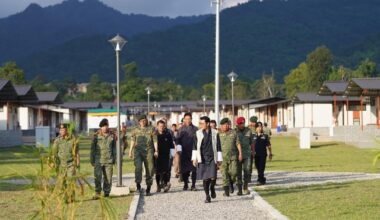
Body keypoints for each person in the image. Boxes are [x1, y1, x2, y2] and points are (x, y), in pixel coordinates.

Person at [192, 116, 222, 203]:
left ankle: (212, 187)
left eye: (202, 123)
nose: (200, 125)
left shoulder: (215, 133)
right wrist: (194, 159)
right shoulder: (197, 133)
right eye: (199, 123)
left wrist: (219, 159)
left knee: (213, 177)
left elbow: (218, 146)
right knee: (205, 179)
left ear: (208, 123)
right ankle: (207, 196)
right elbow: (194, 147)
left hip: (213, 157)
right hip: (202, 158)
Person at [129, 115, 158, 196]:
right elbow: (132, 140)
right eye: (141, 121)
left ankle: (148, 188)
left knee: (150, 169)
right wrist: (130, 151)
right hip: (138, 151)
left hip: (149, 151)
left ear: (146, 121)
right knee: (138, 167)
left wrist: (156, 150)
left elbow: (155, 140)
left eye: (144, 120)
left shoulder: (151, 129)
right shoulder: (135, 130)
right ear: (139, 122)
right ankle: (138, 186)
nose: (143, 122)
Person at [52, 123, 80, 202]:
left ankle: (71, 198)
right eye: (60, 130)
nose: (61, 131)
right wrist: (53, 163)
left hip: (71, 164)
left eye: (63, 129)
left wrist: (78, 162)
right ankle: (64, 199)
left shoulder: (73, 139)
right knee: (61, 183)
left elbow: (77, 152)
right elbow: (54, 153)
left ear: (67, 130)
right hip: (61, 165)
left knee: (70, 181)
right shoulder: (57, 140)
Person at [90, 119, 116, 199]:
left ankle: (106, 193)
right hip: (98, 160)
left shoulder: (112, 136)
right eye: (103, 126)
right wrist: (92, 159)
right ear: (100, 127)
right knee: (97, 177)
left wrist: (114, 159)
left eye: (106, 126)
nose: (105, 128)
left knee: (108, 178)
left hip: (109, 160)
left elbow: (114, 148)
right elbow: (92, 149)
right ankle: (97, 193)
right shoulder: (96, 136)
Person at [218, 118, 242, 197]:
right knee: (224, 174)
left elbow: (238, 143)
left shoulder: (234, 133)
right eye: (225, 125)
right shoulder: (218, 134)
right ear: (221, 126)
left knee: (234, 173)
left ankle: (231, 182)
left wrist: (240, 154)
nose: (227, 126)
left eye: (228, 124)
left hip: (233, 156)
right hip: (222, 158)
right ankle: (226, 191)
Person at [176, 113, 198, 191]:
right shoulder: (181, 129)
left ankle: (193, 185)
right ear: (184, 119)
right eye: (186, 119)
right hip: (184, 152)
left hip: (193, 152)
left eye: (189, 119)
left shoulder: (196, 129)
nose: (188, 120)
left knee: (194, 169)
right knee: (184, 170)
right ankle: (185, 184)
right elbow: (177, 140)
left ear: (191, 119)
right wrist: (179, 149)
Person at [155, 120, 175, 192]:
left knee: (166, 171)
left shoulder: (168, 134)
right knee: (158, 171)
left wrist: (172, 154)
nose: (161, 128)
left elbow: (172, 145)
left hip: (166, 156)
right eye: (160, 126)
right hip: (157, 156)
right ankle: (158, 185)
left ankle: (165, 184)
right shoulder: (155, 135)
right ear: (157, 126)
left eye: (163, 126)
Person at [235, 117, 254, 195]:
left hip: (247, 154)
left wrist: (253, 151)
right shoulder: (234, 131)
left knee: (247, 171)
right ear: (237, 124)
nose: (242, 125)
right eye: (240, 124)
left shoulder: (249, 131)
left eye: (243, 123)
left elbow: (252, 142)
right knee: (238, 172)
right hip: (237, 155)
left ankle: (245, 188)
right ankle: (239, 189)